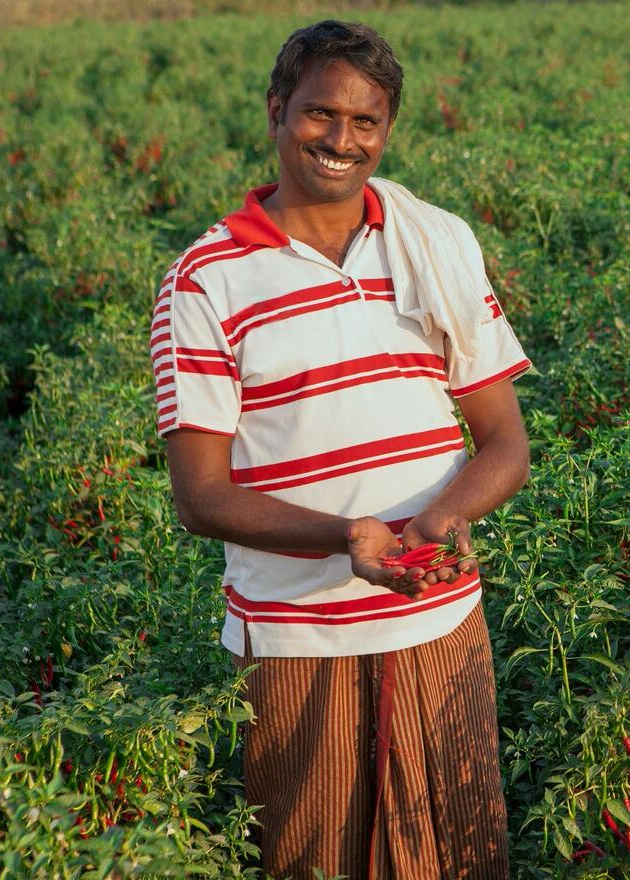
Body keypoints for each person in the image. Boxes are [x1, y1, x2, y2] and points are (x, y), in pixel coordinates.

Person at [149, 19, 529, 879]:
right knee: (311, 850)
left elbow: (504, 443)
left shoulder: (434, 244)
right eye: (320, 114)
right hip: (299, 637)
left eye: (366, 123)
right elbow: (199, 496)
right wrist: (349, 536)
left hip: (439, 620)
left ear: (387, 131)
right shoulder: (205, 281)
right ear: (278, 111)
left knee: (459, 847)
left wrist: (441, 518)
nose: (341, 140)